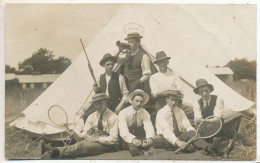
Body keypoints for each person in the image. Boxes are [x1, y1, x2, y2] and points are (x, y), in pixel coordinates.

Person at [40, 93, 119, 159]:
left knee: (81, 146)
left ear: (106, 102)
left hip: (108, 144)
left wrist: (97, 139)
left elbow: (114, 139)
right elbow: (84, 134)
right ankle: (52, 151)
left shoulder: (113, 117)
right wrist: (76, 134)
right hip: (92, 139)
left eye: (100, 103)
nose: (97, 106)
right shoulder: (92, 116)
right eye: (95, 104)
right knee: (80, 145)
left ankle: (54, 152)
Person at [154, 90, 230, 156]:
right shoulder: (161, 113)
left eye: (176, 100)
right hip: (167, 141)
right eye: (172, 100)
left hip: (179, 137)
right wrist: (178, 142)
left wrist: (195, 135)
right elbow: (166, 131)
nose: (174, 102)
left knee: (192, 134)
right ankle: (213, 148)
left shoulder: (179, 111)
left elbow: (187, 126)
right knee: (192, 145)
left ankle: (212, 149)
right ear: (167, 99)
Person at [118, 89, 155, 157]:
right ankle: (134, 148)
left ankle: (144, 147)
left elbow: (148, 126)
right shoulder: (123, 113)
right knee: (132, 147)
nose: (139, 104)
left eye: (141, 101)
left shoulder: (145, 113)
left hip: (139, 135)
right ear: (132, 101)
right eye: (137, 101)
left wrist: (150, 137)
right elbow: (123, 131)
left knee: (148, 144)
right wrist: (133, 139)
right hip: (127, 136)